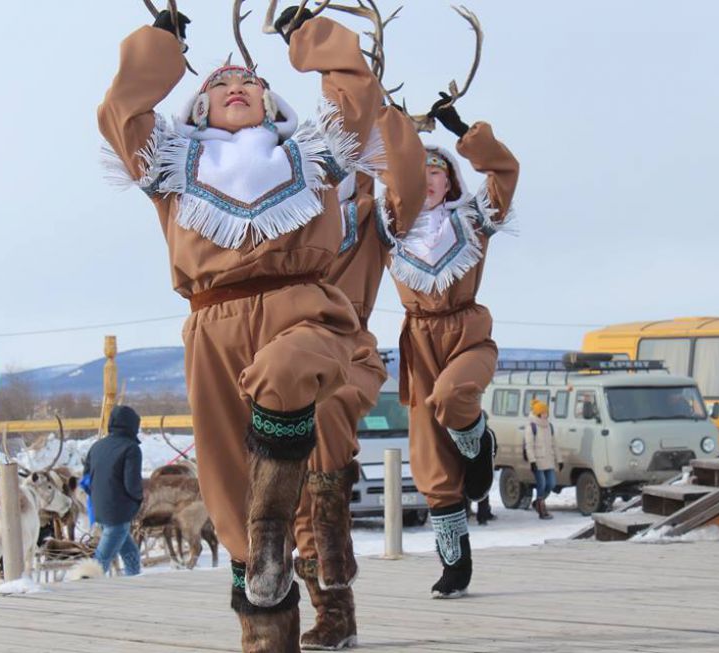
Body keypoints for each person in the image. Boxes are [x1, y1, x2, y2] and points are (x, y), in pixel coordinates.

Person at [98, 7, 386, 649]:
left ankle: (277, 529)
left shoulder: (313, 157)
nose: (235, 86)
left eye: (250, 82)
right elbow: (122, 112)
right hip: (211, 324)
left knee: (287, 372)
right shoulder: (173, 166)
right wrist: (163, 44)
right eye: (219, 83)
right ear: (198, 108)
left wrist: (303, 30)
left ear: (270, 101)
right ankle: (265, 632)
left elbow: (355, 95)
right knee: (228, 496)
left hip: (301, 306)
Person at [291, 99, 425, 648]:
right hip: (289, 355)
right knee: (293, 482)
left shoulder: (376, 215)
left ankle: (334, 575)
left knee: (326, 421)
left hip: (349, 350)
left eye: (350, 149)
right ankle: (330, 611)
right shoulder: (289, 211)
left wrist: (381, 111)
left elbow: (410, 184)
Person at [385, 94, 519, 598]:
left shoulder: (473, 222)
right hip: (418, 337)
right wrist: (392, 128)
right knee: (430, 459)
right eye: (417, 171)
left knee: (453, 394)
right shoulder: (390, 227)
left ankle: (477, 440)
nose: (427, 178)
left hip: (466, 331)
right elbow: (351, 180)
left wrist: (463, 130)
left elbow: (505, 173)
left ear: (450, 180)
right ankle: (454, 564)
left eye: (436, 170)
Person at [83, 405, 144, 575]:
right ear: (133, 425)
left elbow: (86, 478)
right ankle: (84, 588)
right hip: (119, 510)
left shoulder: (97, 446)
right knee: (99, 563)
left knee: (130, 552)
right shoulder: (131, 449)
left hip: (99, 509)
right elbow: (132, 484)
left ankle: (134, 580)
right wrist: (138, 500)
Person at [525, 399, 562, 520]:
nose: (546, 414)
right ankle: (542, 510)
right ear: (538, 413)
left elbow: (555, 444)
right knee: (542, 484)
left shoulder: (549, 426)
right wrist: (532, 461)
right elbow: (529, 445)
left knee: (551, 484)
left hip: (549, 461)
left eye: (546, 412)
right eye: (543, 412)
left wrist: (559, 460)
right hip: (538, 461)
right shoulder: (532, 427)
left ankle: (538, 502)